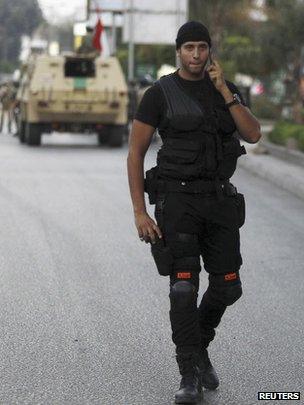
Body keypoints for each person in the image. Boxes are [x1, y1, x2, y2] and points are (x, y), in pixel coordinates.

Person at [127, 21, 261, 404]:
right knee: (184, 288)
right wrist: (140, 212)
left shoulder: (227, 90)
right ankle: (188, 373)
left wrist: (224, 90)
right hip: (178, 202)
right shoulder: (159, 93)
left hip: (219, 203)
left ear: (210, 51)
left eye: (202, 47)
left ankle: (199, 348)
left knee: (228, 286)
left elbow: (252, 135)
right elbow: (135, 153)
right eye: (189, 48)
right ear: (179, 51)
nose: (196, 55)